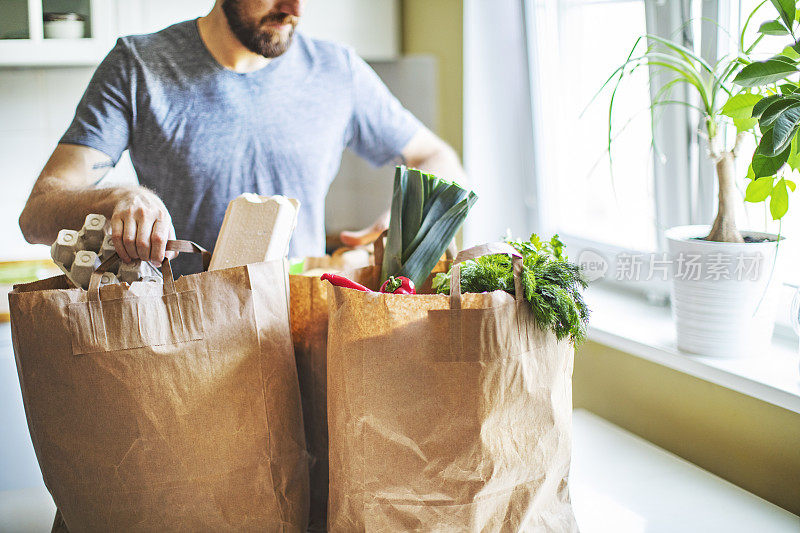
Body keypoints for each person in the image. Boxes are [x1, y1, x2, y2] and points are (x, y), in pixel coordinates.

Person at [19, 0, 465, 276]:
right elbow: (37, 213)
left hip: (303, 338)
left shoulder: (338, 71)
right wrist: (120, 198)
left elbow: (437, 157)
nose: (296, 8)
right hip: (182, 351)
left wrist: (408, 218)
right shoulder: (139, 67)